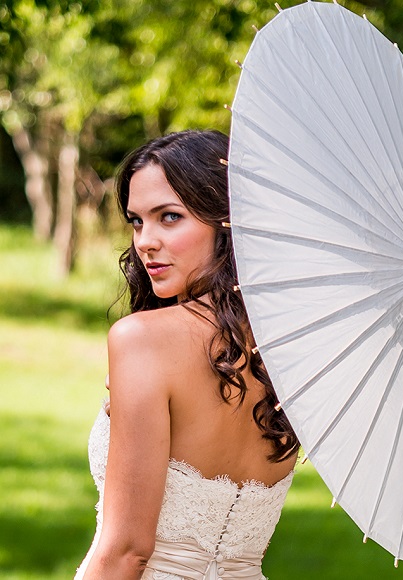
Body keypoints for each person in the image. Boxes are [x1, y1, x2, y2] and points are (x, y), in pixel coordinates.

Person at [75, 130, 299, 580]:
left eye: (169, 217)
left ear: (227, 222)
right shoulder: (292, 349)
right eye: (137, 220)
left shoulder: (141, 340)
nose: (145, 242)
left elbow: (126, 551)